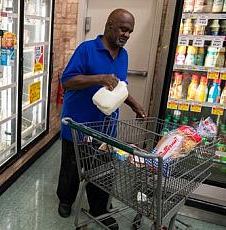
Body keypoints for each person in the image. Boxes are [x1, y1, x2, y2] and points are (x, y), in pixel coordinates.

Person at [57, 8, 147, 229]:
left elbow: (119, 87)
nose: (126, 34)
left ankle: (99, 209)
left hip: (105, 128)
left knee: (103, 170)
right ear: (109, 26)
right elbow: (67, 81)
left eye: (130, 31)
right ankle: (65, 200)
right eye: (123, 29)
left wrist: (134, 104)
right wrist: (99, 78)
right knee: (71, 166)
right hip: (77, 123)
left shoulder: (123, 55)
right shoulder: (87, 50)